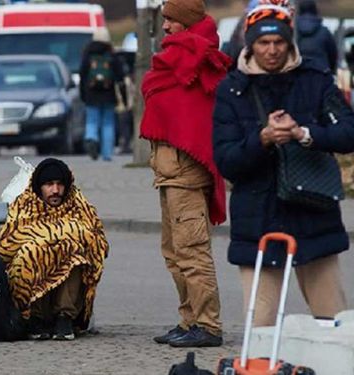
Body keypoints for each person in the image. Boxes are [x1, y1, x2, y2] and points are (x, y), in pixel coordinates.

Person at [213, 3, 354, 327]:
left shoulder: (315, 78)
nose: (272, 50)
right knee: (260, 327)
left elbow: (348, 132)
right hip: (258, 216)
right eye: (263, 42)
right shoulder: (232, 89)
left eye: (279, 42)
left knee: (333, 324)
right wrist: (261, 140)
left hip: (313, 209)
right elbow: (226, 161)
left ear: (290, 42)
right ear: (250, 43)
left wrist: (304, 133)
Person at [140, 0, 231, 347]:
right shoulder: (178, 57)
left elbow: (198, 119)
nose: (165, 27)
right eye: (164, 19)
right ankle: (189, 319)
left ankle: (208, 325)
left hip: (187, 172)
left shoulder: (198, 59)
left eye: (171, 20)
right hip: (168, 171)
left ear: (187, 22)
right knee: (174, 254)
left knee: (192, 252)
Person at [0, 158, 108, 341]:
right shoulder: (24, 206)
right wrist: (47, 243)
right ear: (39, 187)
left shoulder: (78, 206)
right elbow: (6, 247)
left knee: (75, 252)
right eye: (49, 185)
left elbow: (97, 240)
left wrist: (59, 243)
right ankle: (35, 318)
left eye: (59, 184)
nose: (55, 191)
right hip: (31, 296)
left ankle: (65, 317)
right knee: (31, 251)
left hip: (68, 297)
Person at [79, 33, 124, 161]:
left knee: (92, 120)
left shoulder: (87, 54)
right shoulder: (111, 54)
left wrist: (83, 94)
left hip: (91, 94)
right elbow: (120, 75)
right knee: (108, 123)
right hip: (108, 94)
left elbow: (82, 75)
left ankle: (91, 138)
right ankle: (107, 154)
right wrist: (123, 96)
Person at [296, 0, 338, 74]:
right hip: (321, 72)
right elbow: (333, 55)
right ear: (315, 10)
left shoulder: (293, 32)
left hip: (298, 72)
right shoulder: (325, 32)